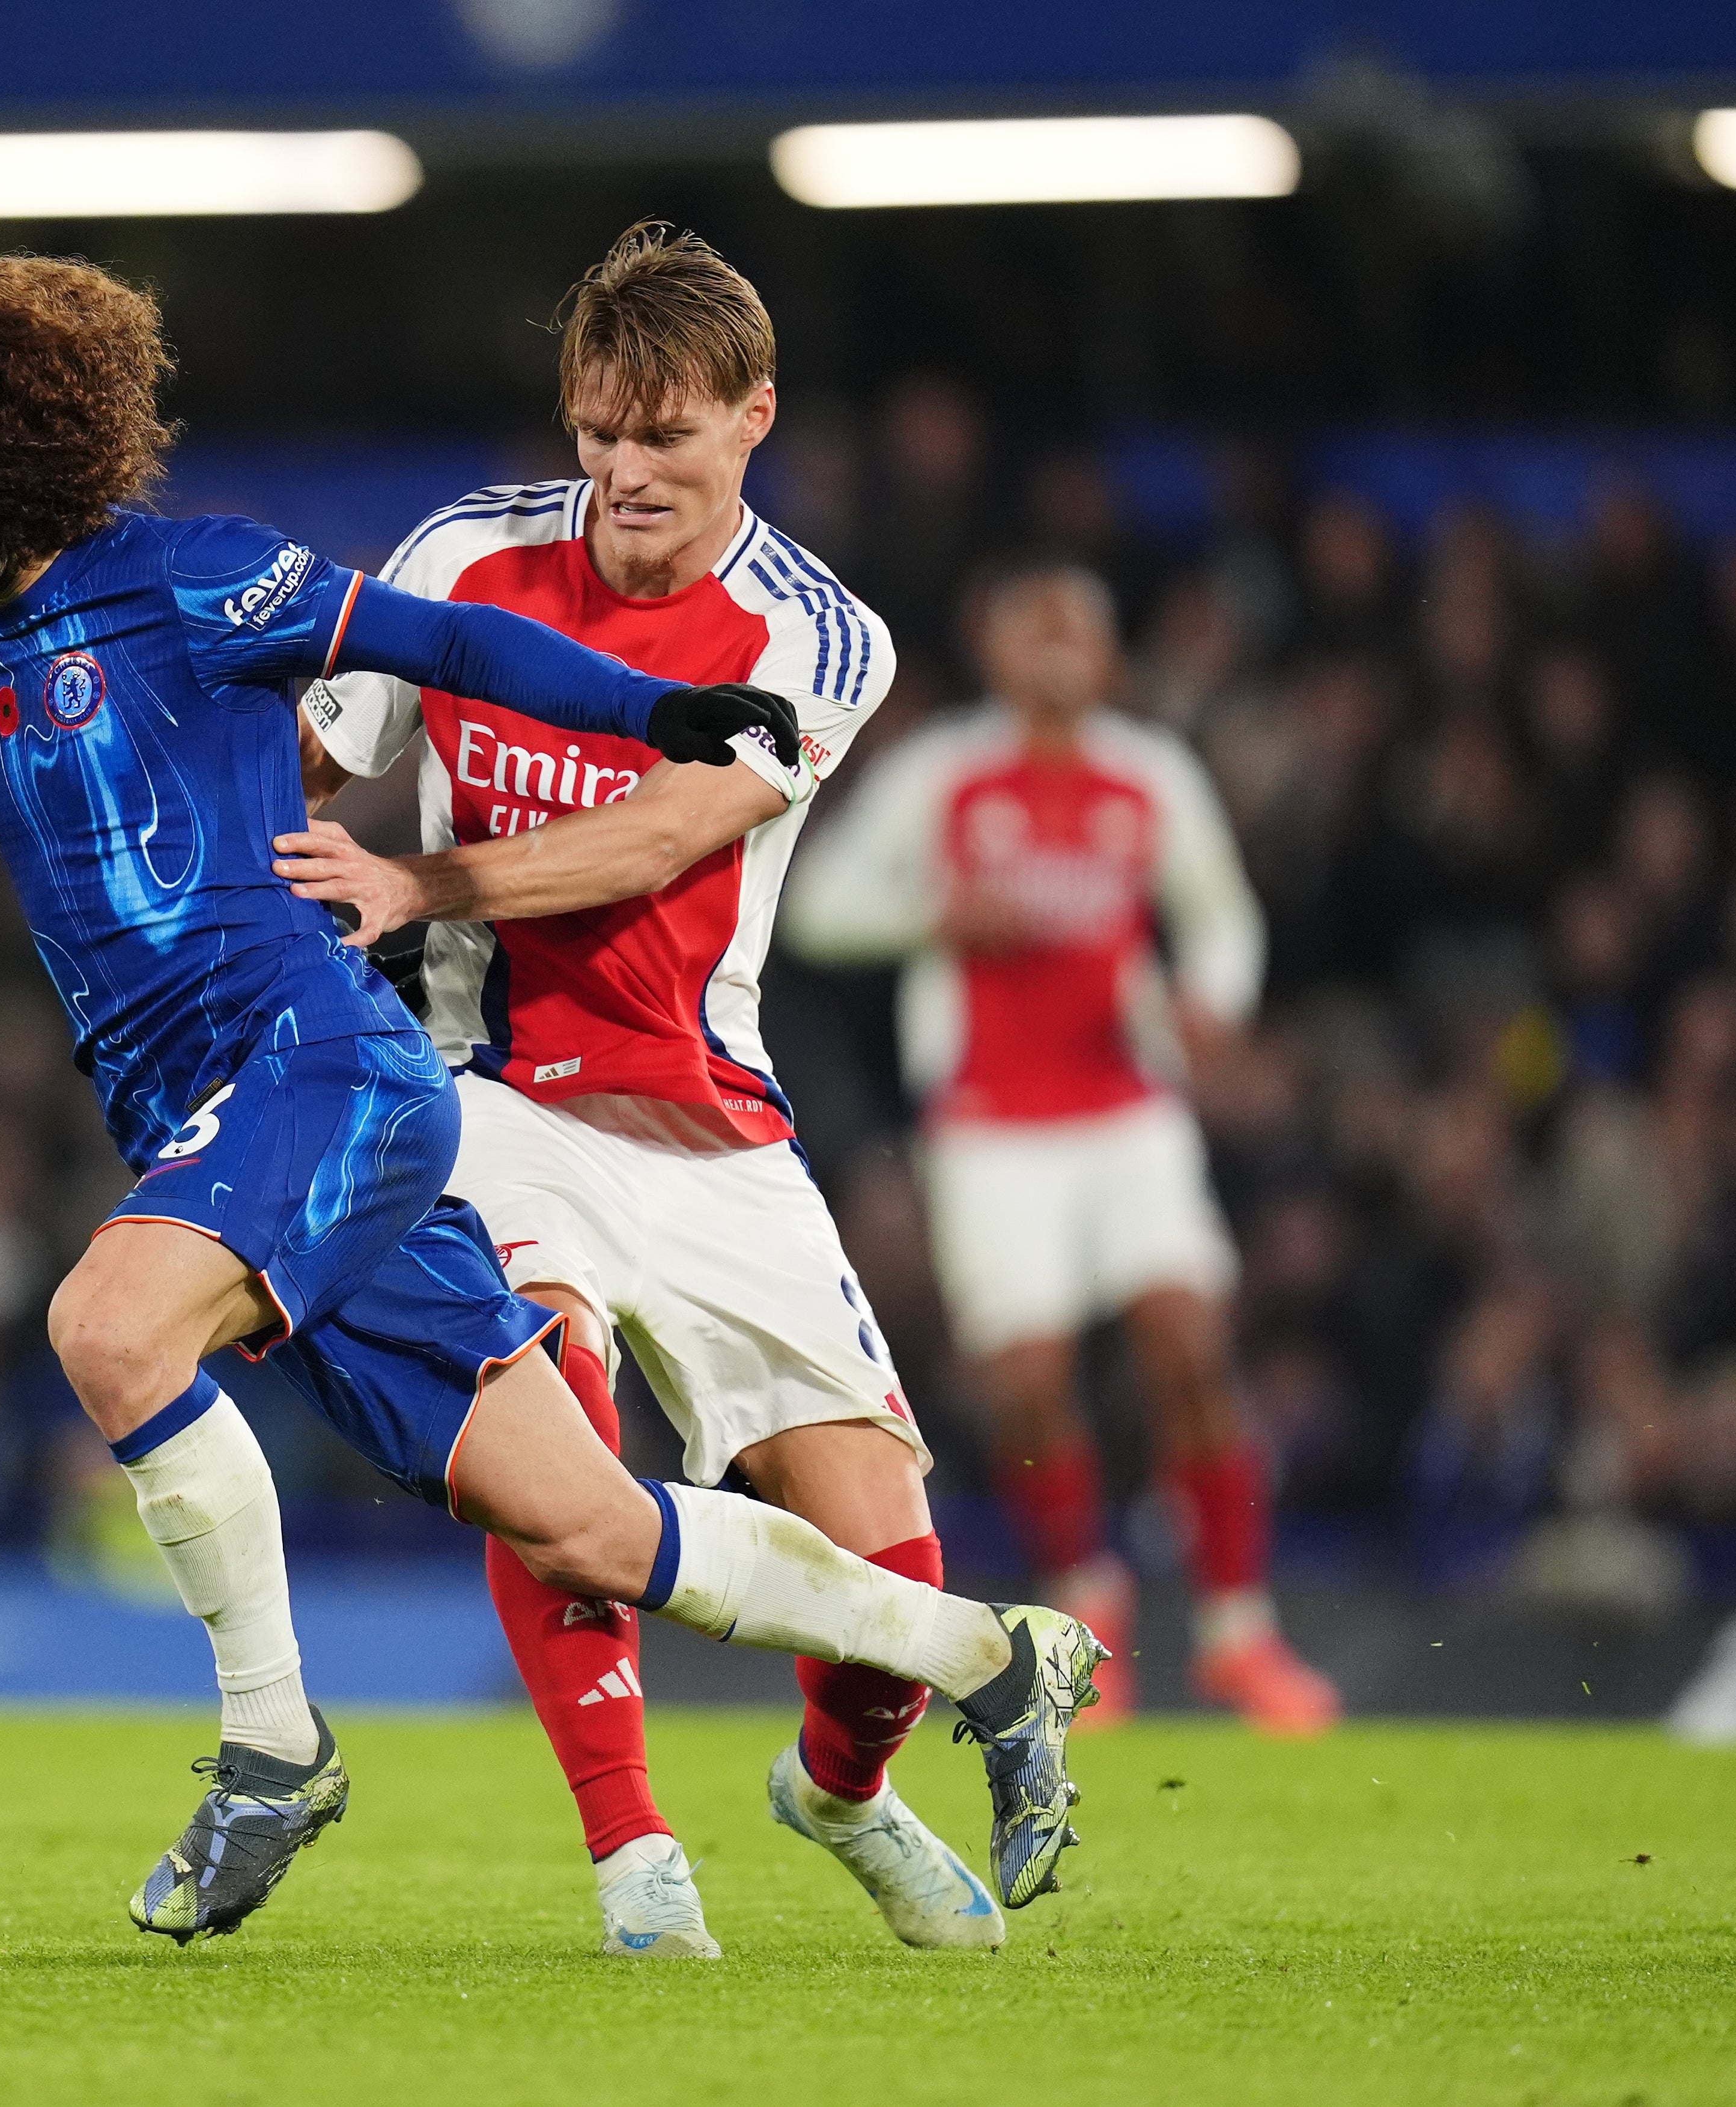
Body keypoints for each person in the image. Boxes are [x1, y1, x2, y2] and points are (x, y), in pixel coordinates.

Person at [0, 254, 1103, 1948]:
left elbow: (526, 714)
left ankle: (285, 1752)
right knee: (580, 1509)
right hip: (391, 1081)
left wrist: (617, 737)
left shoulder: (214, 578)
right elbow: (291, 762)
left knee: (112, 1328)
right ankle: (977, 1666)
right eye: (593, 433)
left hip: (475, 1084)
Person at [274, 223, 998, 1959]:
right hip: (486, 1080)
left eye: (662, 434)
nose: (621, 472)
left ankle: (832, 1795)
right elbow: (313, 743)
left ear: (753, 416)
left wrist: (420, 882)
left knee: (891, 1574)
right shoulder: (465, 552)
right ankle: (633, 1856)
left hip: (703, 1111)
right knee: (559, 1438)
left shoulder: (822, 632)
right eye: (597, 430)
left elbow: (666, 829)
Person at [783, 556, 1341, 1736]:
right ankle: (1092, 1610)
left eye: (1072, 630)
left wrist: (1212, 1001)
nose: (1052, 649)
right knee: (1028, 1386)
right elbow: (821, 901)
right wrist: (934, 916)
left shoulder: (1151, 776)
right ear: (994, 651)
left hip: (1128, 1110)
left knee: (1188, 1339)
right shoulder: (942, 774)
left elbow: (1222, 916)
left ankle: (1242, 1630)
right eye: (1029, 627)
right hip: (988, 1128)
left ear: (1107, 655)